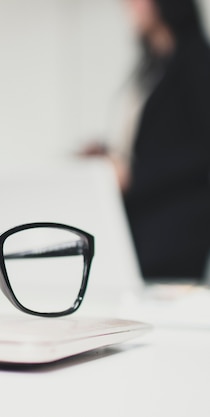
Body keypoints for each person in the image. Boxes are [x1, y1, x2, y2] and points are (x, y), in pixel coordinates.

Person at [83, 0, 210, 280]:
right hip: (140, 222)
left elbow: (201, 153)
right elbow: (155, 140)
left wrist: (132, 175)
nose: (127, 5)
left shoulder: (199, 62)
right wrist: (107, 154)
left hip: (175, 230)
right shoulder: (152, 65)